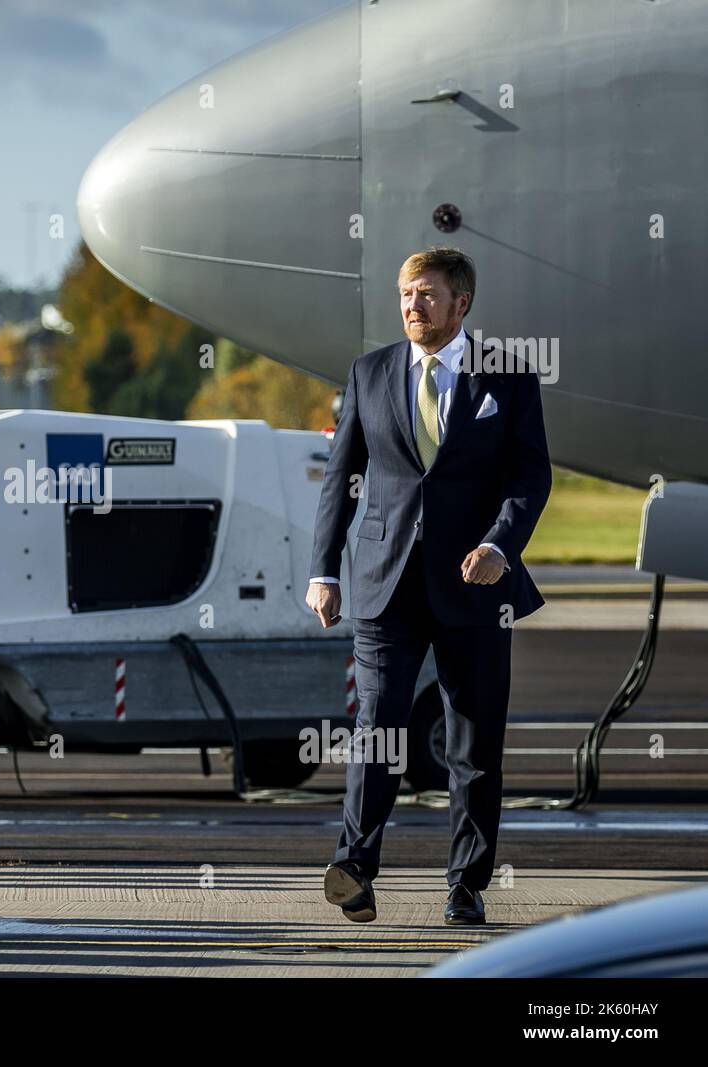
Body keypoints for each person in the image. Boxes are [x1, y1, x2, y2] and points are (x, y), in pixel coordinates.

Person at [305, 248, 551, 925]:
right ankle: (354, 864)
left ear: (460, 302)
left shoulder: (508, 374)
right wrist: (324, 570)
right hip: (387, 585)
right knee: (377, 725)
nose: (412, 305)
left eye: (426, 294)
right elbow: (341, 478)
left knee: (473, 743)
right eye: (405, 293)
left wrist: (501, 545)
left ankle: (466, 885)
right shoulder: (371, 372)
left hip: (477, 587)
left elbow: (531, 478)